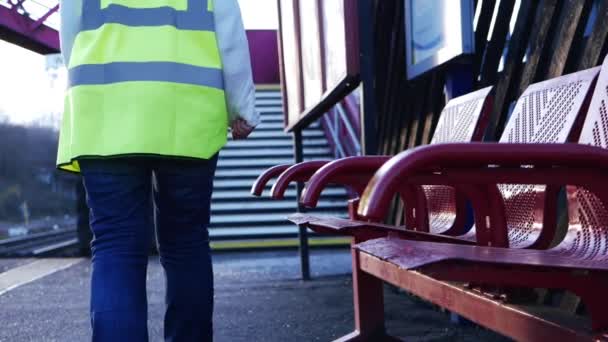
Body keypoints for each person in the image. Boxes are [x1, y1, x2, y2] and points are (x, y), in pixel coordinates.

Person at [57, 1, 259, 341]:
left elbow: (70, 31)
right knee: (186, 242)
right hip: (186, 108)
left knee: (115, 245)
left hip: (104, 108)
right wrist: (240, 104)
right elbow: (229, 33)